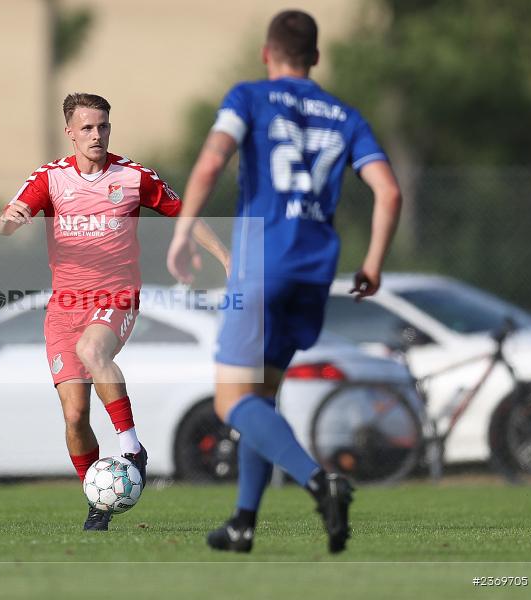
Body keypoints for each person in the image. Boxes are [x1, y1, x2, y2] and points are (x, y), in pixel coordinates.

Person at [166, 10, 402, 553]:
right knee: (262, 394)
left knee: (231, 402)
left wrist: (182, 235)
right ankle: (244, 522)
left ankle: (322, 484)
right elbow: (389, 192)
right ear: (315, 58)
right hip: (315, 270)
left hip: (261, 265)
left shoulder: (248, 97)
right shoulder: (345, 116)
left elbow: (209, 165)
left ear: (266, 54)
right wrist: (373, 264)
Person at [0, 93, 229, 531]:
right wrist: (7, 220)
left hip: (116, 296)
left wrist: (225, 257)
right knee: (74, 416)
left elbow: (187, 214)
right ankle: (98, 500)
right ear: (70, 131)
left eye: (103, 126)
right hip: (65, 307)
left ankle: (132, 448)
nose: (97, 135)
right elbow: (11, 215)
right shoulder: (50, 180)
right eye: (87, 127)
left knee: (93, 350)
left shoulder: (133, 176)